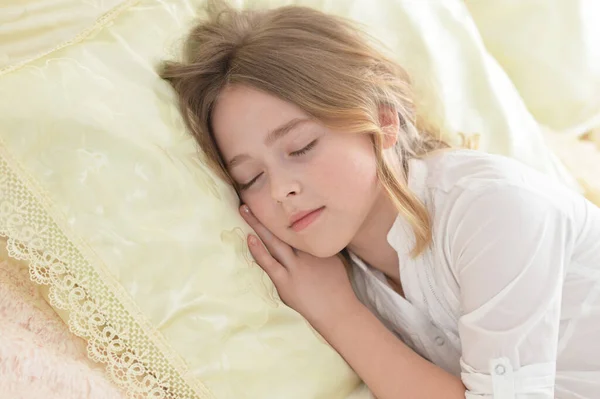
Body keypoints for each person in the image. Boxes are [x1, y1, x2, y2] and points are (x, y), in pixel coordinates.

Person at [160, 2, 600, 398]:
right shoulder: (342, 269)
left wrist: (338, 314)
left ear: (383, 121)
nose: (280, 190)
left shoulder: (493, 210)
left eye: (300, 148)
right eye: (251, 177)